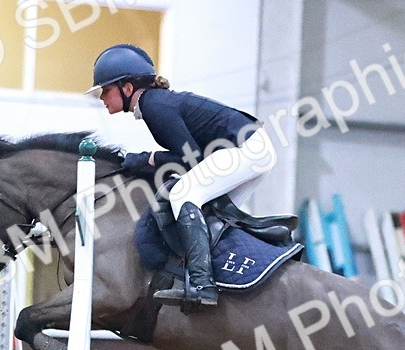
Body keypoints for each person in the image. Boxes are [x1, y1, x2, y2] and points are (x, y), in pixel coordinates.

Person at [89, 44, 276, 308]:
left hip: (246, 149)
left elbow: (192, 159)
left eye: (106, 90)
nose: (101, 97)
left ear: (127, 88)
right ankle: (224, 275)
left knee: (181, 194)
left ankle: (202, 284)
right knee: (212, 210)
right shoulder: (155, 104)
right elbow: (193, 157)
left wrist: (148, 159)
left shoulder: (154, 106)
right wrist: (149, 159)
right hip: (254, 149)